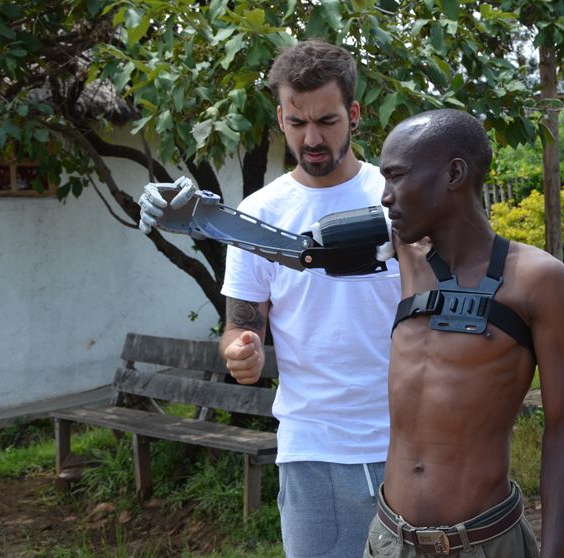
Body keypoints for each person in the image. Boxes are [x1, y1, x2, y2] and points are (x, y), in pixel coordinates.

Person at [141, 40, 401, 558]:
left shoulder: (395, 199)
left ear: (353, 114)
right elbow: (241, 330)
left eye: (326, 121)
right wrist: (242, 352)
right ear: (280, 117)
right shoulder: (258, 215)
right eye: (296, 122)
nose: (312, 138)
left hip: (411, 441)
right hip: (312, 446)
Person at [367, 109, 564, 558]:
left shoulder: (537, 280)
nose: (386, 197)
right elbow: (296, 244)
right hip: (390, 541)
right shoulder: (407, 260)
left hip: (483, 543)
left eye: (397, 176)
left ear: (454, 173)